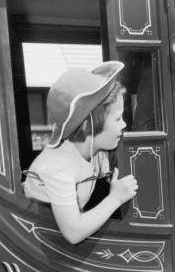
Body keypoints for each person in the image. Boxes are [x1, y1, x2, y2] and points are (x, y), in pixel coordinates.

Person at [24, 62, 138, 245]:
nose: (124, 124)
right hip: (39, 244)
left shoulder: (95, 150)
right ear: (88, 125)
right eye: (118, 118)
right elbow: (73, 233)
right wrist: (115, 198)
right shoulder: (57, 166)